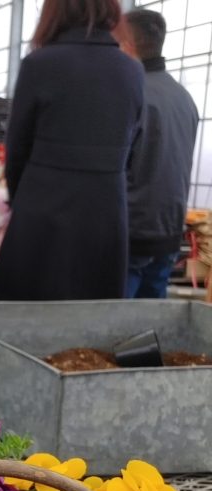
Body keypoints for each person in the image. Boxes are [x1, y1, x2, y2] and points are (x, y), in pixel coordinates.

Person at [0, 0, 144, 301]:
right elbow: (136, 149)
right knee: (93, 311)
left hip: (42, 207)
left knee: (29, 309)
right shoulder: (131, 70)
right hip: (105, 211)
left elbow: (17, 146)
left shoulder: (39, 64)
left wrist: (21, 199)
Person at [116, 10, 199, 299]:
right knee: (153, 320)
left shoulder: (131, 93)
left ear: (127, 45)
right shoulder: (184, 98)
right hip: (169, 230)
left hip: (132, 233)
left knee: (113, 319)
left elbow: (116, 165)